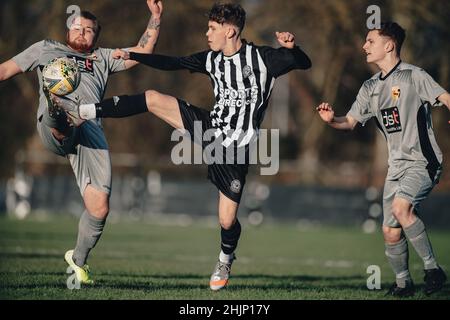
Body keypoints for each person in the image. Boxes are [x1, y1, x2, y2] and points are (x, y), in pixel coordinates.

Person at [53, 3, 311, 291]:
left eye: (212, 28)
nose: (207, 33)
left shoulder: (264, 58)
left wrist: (292, 48)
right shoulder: (211, 59)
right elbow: (173, 62)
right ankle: (84, 111)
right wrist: (132, 54)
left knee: (227, 220)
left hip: (235, 150)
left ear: (230, 30)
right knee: (152, 98)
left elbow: (303, 63)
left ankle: (225, 258)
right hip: (208, 127)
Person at [0, 0, 164, 285]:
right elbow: (3, 71)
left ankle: (78, 261)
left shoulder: (102, 57)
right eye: (77, 27)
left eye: (89, 30)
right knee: (61, 117)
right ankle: (58, 113)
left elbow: (143, 52)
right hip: (53, 126)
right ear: (68, 29)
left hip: (90, 128)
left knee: (100, 208)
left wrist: (155, 16)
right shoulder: (45, 49)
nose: (82, 32)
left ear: (95, 37)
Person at [317, 22, 449, 297]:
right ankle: (403, 284)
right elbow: (350, 121)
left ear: (389, 45)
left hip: (422, 161)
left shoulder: (414, 76)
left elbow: (445, 96)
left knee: (402, 210)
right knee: (390, 231)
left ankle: (433, 269)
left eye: (370, 41)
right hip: (396, 167)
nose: (364, 46)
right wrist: (332, 120)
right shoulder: (369, 88)